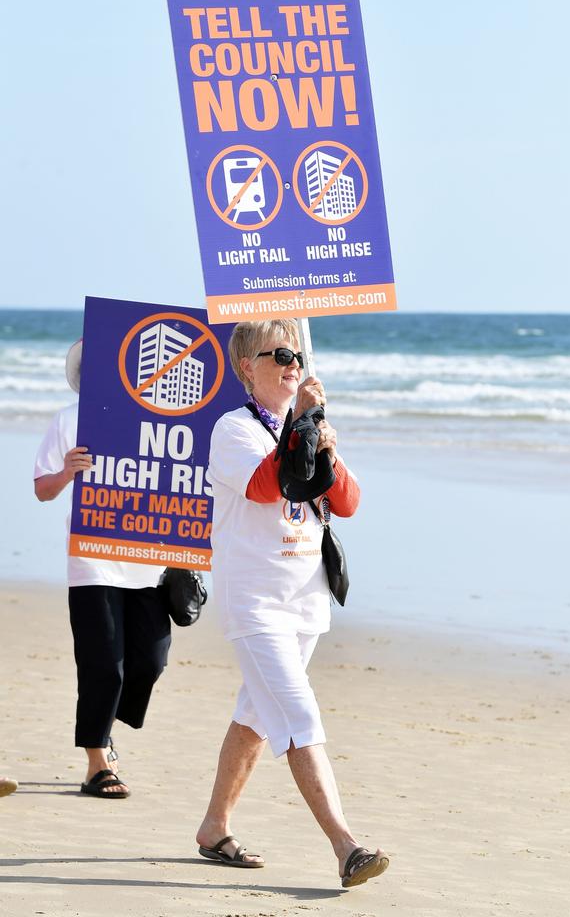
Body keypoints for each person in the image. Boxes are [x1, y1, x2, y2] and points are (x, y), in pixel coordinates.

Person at [196, 319, 389, 889]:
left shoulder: (306, 425)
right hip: (256, 603)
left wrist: (322, 438)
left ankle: (213, 827)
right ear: (245, 368)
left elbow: (348, 502)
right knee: (299, 716)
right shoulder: (233, 429)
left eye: (295, 352)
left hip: (305, 601)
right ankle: (346, 846)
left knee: (255, 718)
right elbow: (266, 485)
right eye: (277, 353)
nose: (290, 362)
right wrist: (302, 424)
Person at [33, 339, 171, 799]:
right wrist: (67, 472)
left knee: (150, 661)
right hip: (92, 558)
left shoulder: (160, 416)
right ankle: (97, 763)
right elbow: (42, 490)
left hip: (148, 561)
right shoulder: (69, 419)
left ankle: (102, 725)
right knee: (102, 664)